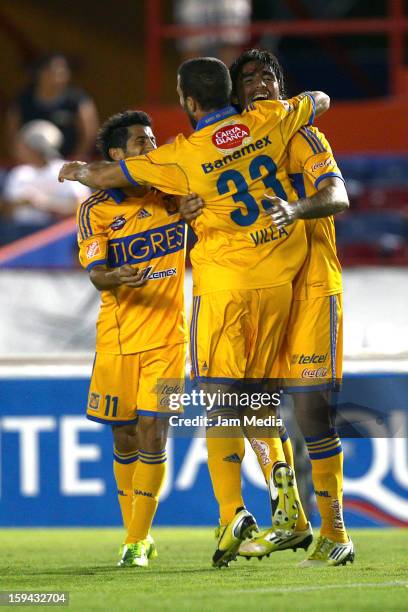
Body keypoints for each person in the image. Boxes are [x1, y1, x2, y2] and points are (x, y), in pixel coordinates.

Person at [59, 57, 330, 567]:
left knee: (212, 404)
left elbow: (103, 171)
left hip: (212, 301)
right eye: (141, 140)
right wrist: (300, 104)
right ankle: (284, 501)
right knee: (239, 403)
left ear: (187, 103)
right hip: (273, 282)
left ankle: (229, 515)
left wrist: (75, 170)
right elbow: (319, 101)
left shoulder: (179, 166)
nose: (151, 144)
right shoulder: (267, 121)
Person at [229, 48, 354, 567]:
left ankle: (335, 532)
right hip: (257, 289)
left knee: (310, 412)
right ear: (237, 93)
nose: (262, 82)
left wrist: (295, 208)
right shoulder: (226, 147)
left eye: (271, 75)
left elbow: (338, 195)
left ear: (282, 87)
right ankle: (293, 520)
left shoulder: (301, 132)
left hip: (311, 286)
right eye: (251, 77)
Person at [77, 110, 198, 568]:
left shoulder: (171, 191)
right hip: (117, 340)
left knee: (154, 431)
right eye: (141, 142)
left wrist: (192, 210)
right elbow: (96, 275)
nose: (151, 147)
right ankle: (135, 534)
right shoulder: (94, 208)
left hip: (169, 339)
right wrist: (116, 276)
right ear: (116, 155)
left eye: (153, 139)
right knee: (125, 438)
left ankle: (136, 540)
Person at [1, 119, 90, 244]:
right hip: (18, 233)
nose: (19, 150)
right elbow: (6, 211)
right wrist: (21, 203)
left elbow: (83, 206)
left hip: (54, 233)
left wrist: (44, 203)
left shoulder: (64, 170)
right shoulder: (18, 173)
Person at [6, 52, 99, 160]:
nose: (63, 75)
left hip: (69, 162)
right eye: (58, 71)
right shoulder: (22, 101)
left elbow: (90, 133)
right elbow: (12, 135)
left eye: (65, 71)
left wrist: (77, 159)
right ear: (41, 73)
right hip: (30, 165)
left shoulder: (77, 99)